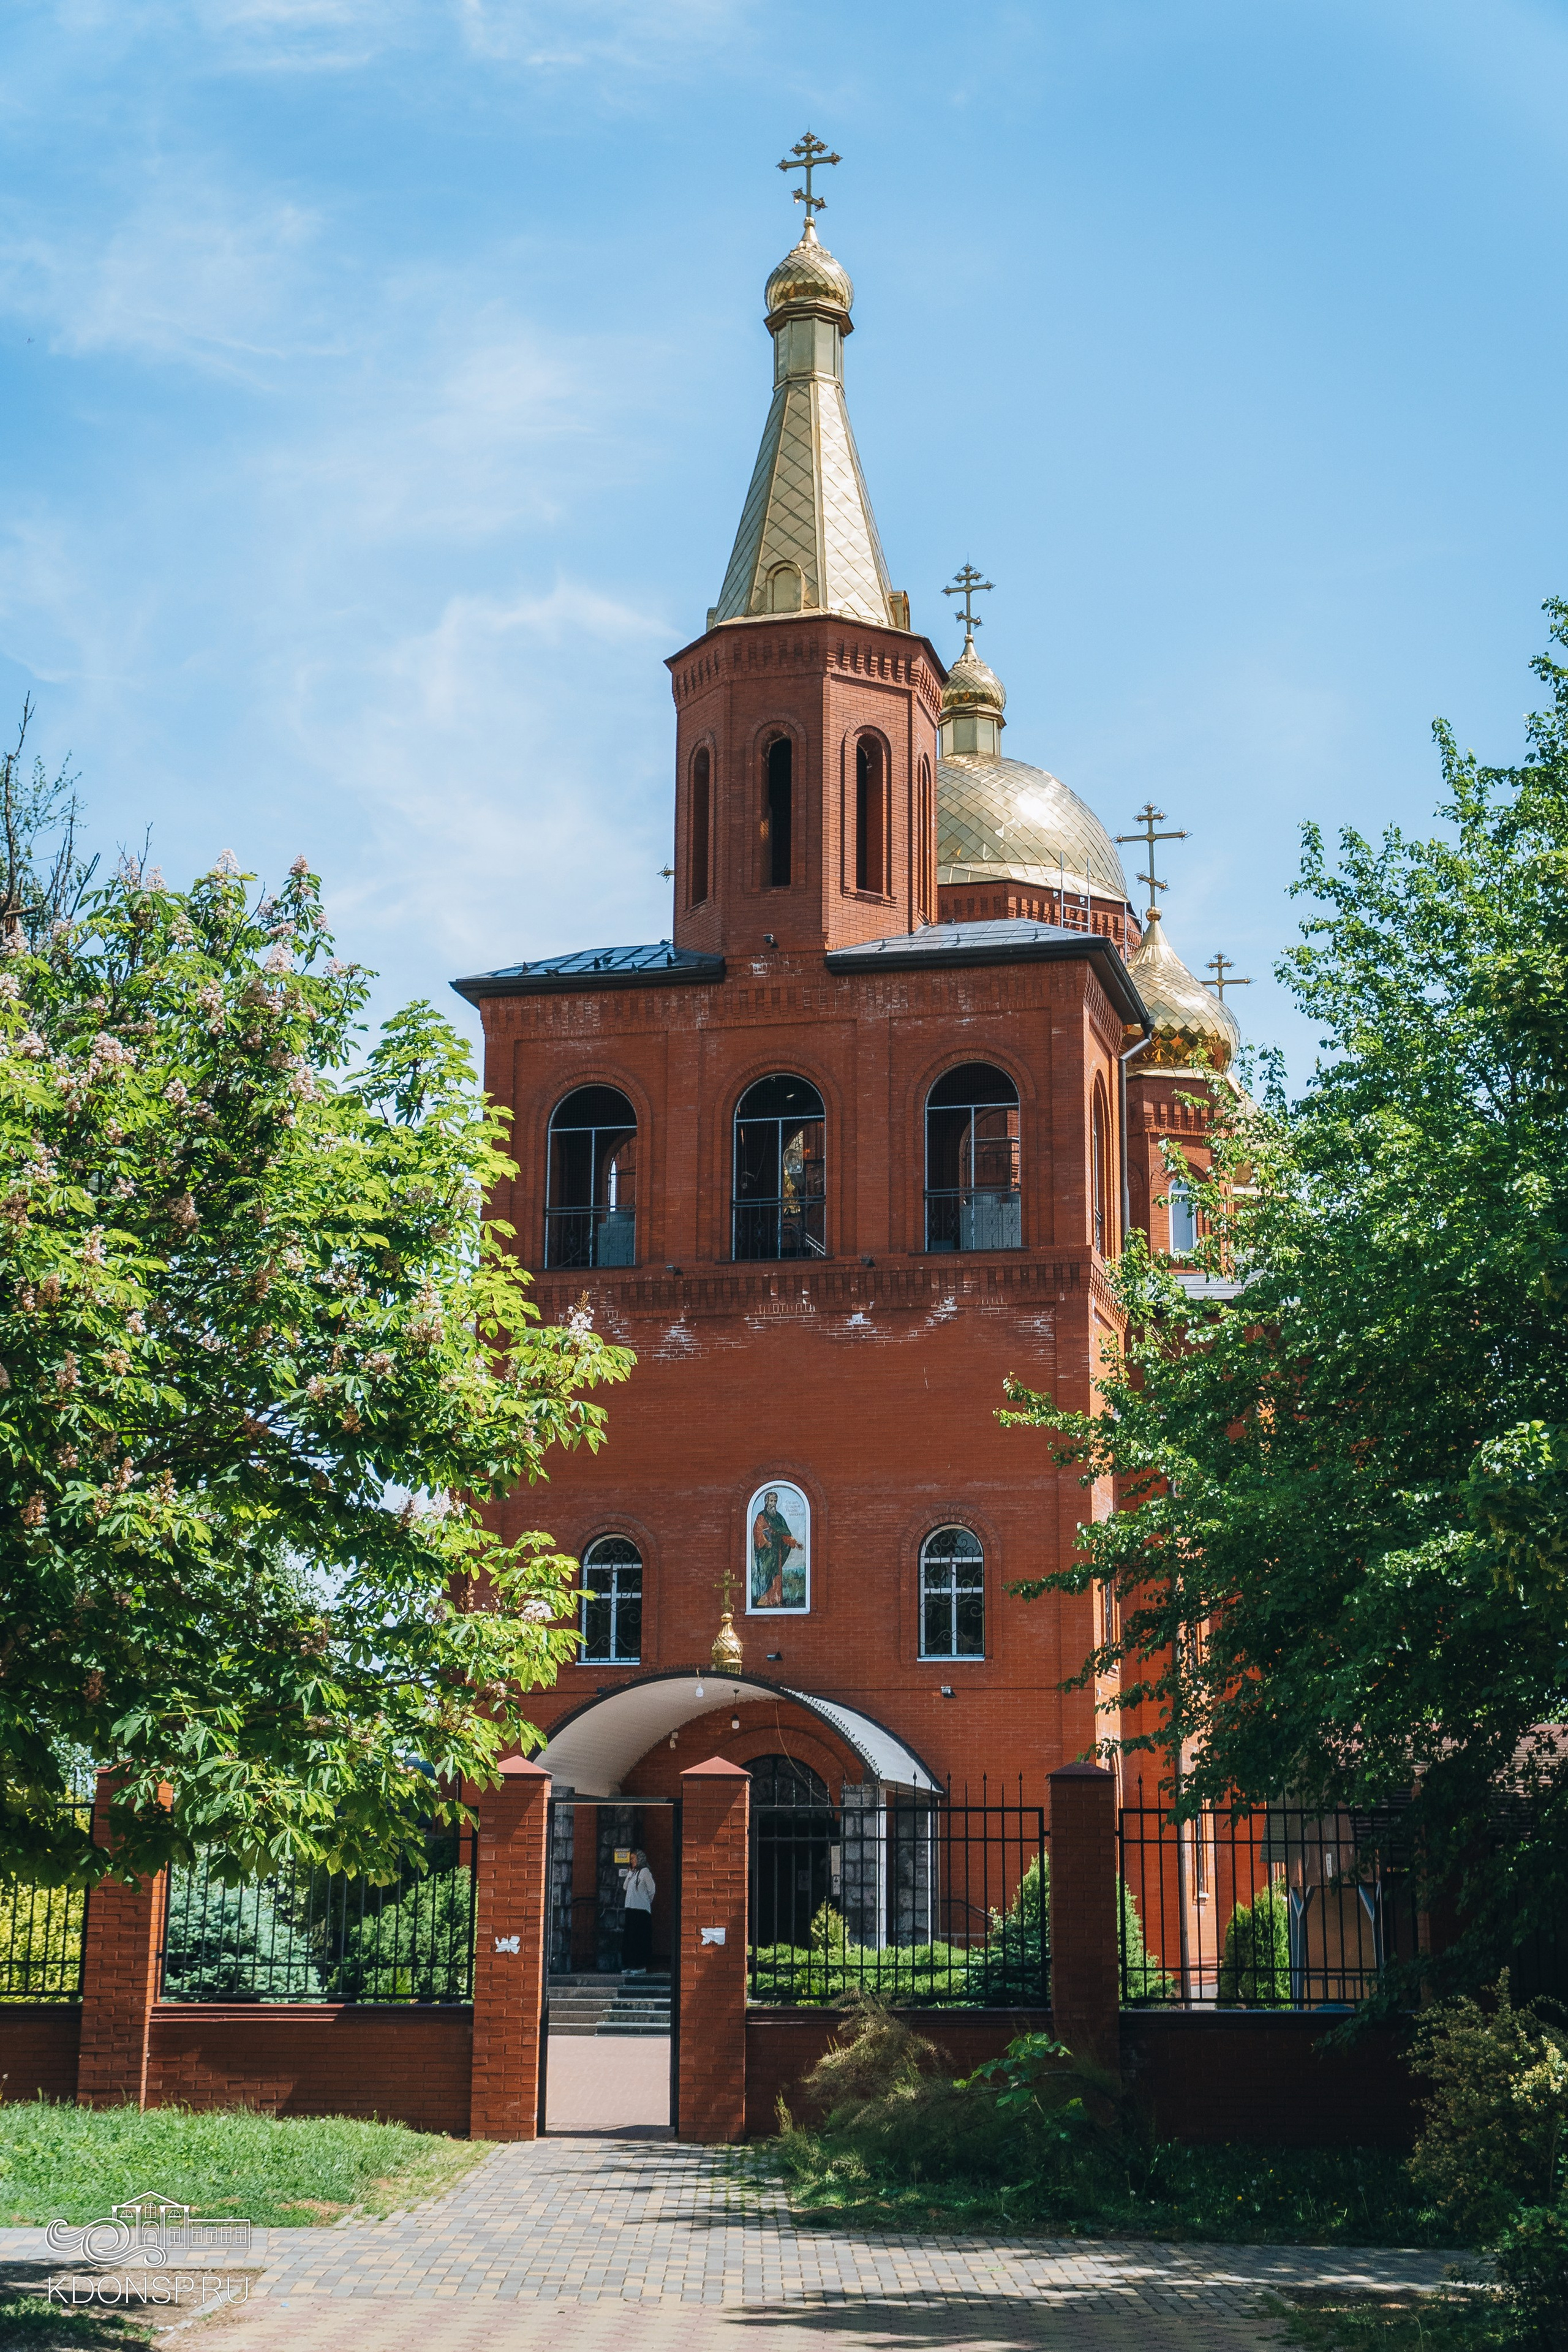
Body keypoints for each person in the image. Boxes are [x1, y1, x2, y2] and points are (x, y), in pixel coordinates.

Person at [752, 1488, 804, 1609]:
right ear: (766, 1502)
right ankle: (764, 1601)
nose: (773, 1503)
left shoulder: (779, 1518)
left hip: (776, 1552)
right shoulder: (762, 1516)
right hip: (765, 1554)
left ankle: (776, 1600)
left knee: (777, 1576)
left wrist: (795, 1543)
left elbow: (785, 1534)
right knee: (766, 1576)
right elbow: (757, 1532)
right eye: (771, 1501)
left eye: (775, 1501)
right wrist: (765, 1542)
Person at [619, 1849, 655, 1975]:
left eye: (634, 1859)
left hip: (641, 1910)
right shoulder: (633, 1873)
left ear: (640, 1859)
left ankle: (641, 1965)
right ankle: (630, 1964)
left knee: (640, 1938)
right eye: (631, 1859)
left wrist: (646, 1902)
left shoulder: (645, 1872)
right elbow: (625, 1887)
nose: (632, 1861)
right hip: (631, 1908)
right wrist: (630, 1873)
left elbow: (652, 1890)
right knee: (630, 1938)